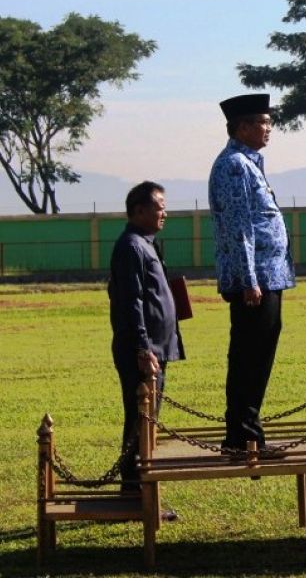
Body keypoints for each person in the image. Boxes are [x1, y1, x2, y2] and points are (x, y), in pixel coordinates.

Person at [209, 93, 296, 452]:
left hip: (268, 276)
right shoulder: (234, 166)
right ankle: (244, 437)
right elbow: (239, 227)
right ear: (242, 126)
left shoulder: (249, 163)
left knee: (259, 355)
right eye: (262, 122)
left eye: (269, 122)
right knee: (249, 356)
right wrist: (249, 281)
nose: (268, 129)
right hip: (255, 281)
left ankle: (246, 433)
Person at [109, 181, 184, 492]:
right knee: (142, 421)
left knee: (146, 420)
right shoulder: (131, 246)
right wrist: (143, 347)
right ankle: (136, 491)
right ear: (139, 211)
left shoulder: (145, 243)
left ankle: (137, 489)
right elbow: (131, 300)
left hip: (156, 348)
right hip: (144, 352)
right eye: (158, 206)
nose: (164, 212)